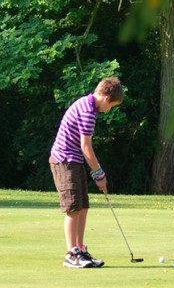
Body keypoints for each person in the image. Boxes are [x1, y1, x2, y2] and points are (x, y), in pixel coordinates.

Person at [49, 77, 124, 268]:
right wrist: (99, 174)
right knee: (73, 208)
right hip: (64, 160)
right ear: (107, 99)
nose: (110, 109)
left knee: (83, 206)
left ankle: (80, 250)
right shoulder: (88, 111)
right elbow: (86, 147)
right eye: (113, 105)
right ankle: (71, 254)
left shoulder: (89, 105)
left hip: (74, 160)